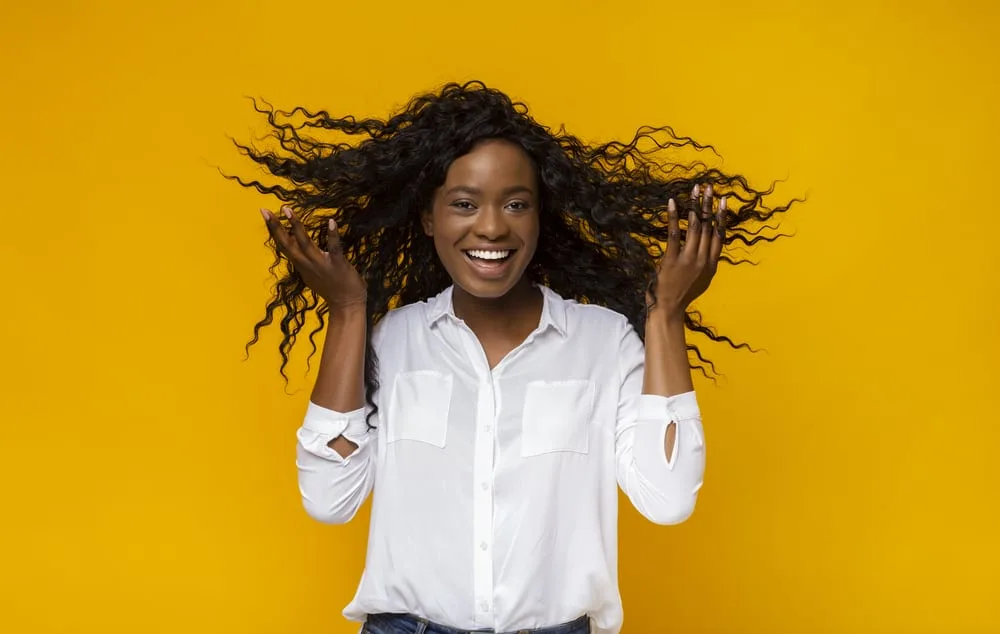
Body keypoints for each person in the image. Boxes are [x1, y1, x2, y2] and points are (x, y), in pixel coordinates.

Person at [232, 81, 791, 634]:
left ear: (539, 216)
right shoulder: (392, 340)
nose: (493, 226)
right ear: (429, 218)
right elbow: (330, 499)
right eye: (464, 204)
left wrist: (665, 314)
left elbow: (668, 499)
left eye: (516, 204)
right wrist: (349, 310)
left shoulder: (604, 343)